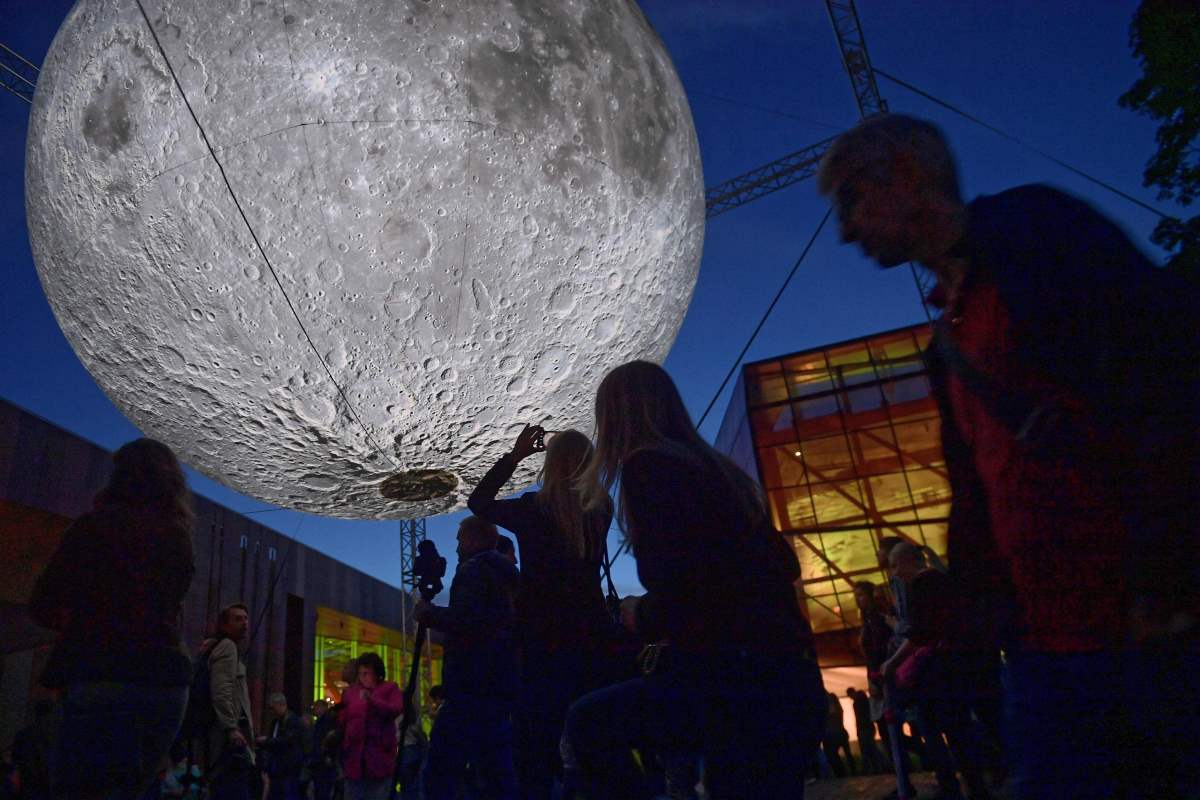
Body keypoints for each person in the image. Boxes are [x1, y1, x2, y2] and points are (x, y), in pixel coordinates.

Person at [819, 112, 1200, 800]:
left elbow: (1169, 380)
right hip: (1047, 649)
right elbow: (976, 499)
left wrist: (1166, 578)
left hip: (1148, 625)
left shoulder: (1038, 235)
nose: (846, 229)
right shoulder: (949, 342)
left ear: (905, 175)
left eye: (851, 198)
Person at [562, 360, 826, 799]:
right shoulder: (719, 472)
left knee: (587, 723)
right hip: (785, 676)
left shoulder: (648, 468)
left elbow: (689, 594)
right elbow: (779, 565)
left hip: (733, 686)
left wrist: (639, 612)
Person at [28, 438, 196, 800]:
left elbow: (44, 600)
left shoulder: (94, 526)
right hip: (166, 683)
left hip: (101, 673)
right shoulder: (178, 538)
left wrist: (78, 620)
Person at [467, 426, 614, 800]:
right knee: (594, 737)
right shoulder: (601, 508)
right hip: (591, 633)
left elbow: (480, 502)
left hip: (541, 638)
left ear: (551, 464)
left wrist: (515, 456)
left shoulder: (533, 508)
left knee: (535, 743)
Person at [415, 516, 520, 800]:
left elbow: (467, 620)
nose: (457, 547)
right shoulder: (505, 572)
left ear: (473, 540)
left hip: (469, 685)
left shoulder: (474, 569)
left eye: (460, 540)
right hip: (497, 684)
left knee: (440, 770)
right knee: (496, 769)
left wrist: (427, 613)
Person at [883, 542, 991, 800]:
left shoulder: (923, 585)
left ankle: (952, 786)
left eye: (896, 565)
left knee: (937, 729)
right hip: (954, 667)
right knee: (958, 731)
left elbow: (920, 632)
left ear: (909, 561)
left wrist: (893, 663)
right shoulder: (942, 582)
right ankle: (975, 786)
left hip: (938, 674)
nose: (895, 572)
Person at [204, 603, 257, 800]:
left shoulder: (220, 647)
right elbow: (222, 689)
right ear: (224, 626)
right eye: (238, 619)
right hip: (229, 740)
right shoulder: (227, 647)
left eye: (246, 618)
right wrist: (231, 728)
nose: (245, 623)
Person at [337, 652, 403, 800]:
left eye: (367, 673)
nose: (363, 677)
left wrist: (372, 700)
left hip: (378, 762)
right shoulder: (351, 693)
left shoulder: (389, 688)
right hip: (354, 762)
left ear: (377, 673)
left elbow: (396, 709)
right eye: (361, 673)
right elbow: (344, 721)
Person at [258, 694, 305, 800]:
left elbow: (288, 741)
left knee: (289, 793)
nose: (272, 712)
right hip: (278, 765)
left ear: (280, 705)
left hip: (289, 765)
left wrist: (267, 741)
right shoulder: (276, 721)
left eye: (273, 708)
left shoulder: (292, 720)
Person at [10, 699, 54, 800]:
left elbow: (15, 764)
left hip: (28, 785)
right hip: (42, 786)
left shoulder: (24, 734)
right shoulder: (53, 737)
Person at [847, 688, 888, 775]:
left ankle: (878, 766)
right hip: (868, 727)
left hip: (864, 728)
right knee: (871, 748)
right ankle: (879, 766)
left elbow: (860, 718)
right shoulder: (864, 700)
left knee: (869, 748)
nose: (850, 698)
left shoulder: (858, 703)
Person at [307, 700, 338, 800]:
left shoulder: (326, 721)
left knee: (322, 788)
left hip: (322, 759)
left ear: (323, 707)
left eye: (316, 706)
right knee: (320, 789)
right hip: (320, 759)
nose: (314, 709)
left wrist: (327, 755)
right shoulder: (322, 721)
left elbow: (329, 740)